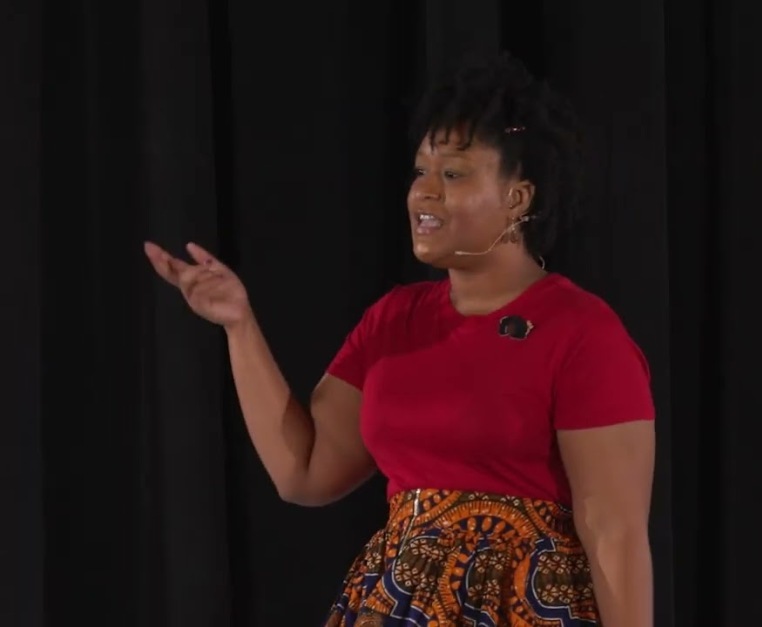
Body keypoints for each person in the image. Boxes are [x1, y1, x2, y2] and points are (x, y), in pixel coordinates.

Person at [143, 53, 656, 627]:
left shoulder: (583, 333)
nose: (424, 193)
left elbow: (615, 532)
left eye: (453, 175)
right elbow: (304, 471)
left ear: (518, 198)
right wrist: (239, 325)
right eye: (420, 172)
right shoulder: (394, 320)